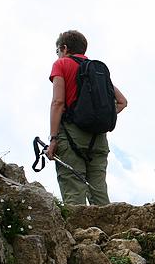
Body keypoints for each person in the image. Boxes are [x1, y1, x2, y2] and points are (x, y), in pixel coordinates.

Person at [46, 30, 127, 205]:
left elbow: (58, 102)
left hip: (71, 136)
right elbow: (122, 102)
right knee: (99, 191)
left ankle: (80, 233)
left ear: (64, 48)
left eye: (58, 51)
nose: (58, 55)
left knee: (73, 188)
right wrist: (96, 116)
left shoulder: (61, 64)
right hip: (99, 138)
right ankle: (107, 231)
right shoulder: (95, 70)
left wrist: (53, 138)